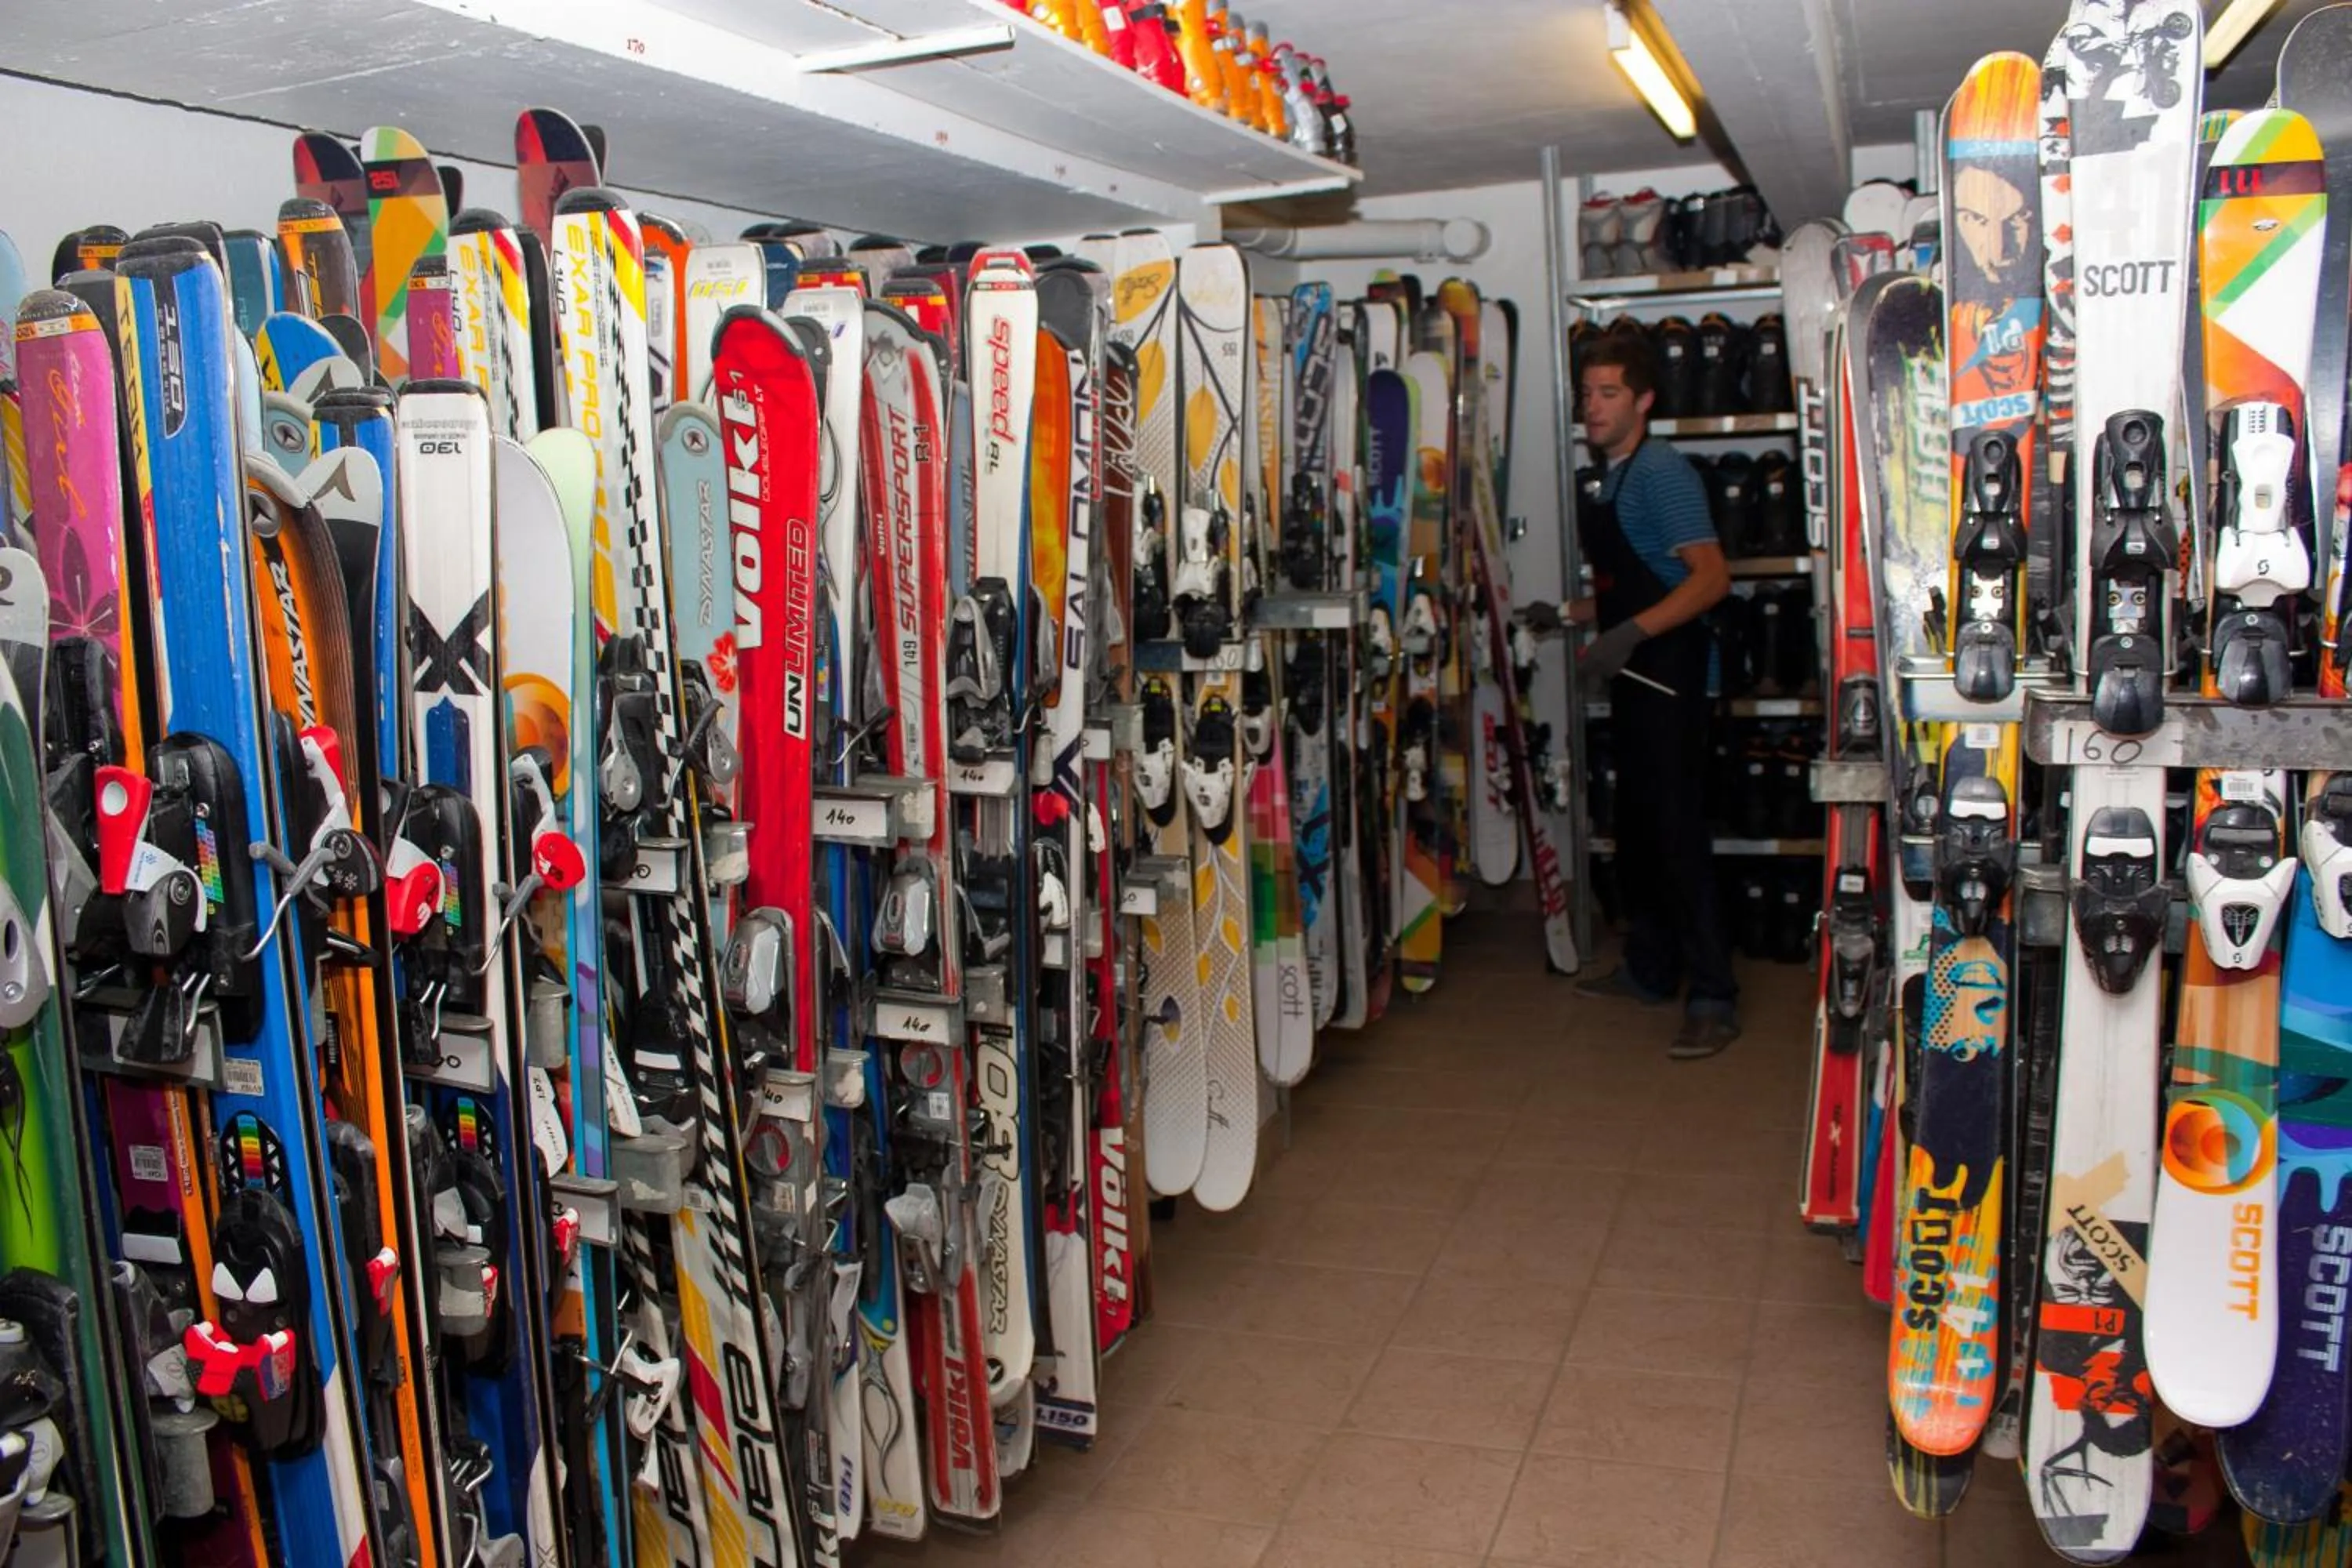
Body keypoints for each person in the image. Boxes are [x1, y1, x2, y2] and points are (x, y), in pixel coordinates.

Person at [1526, 334, 1739, 1058]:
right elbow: (1634, 580)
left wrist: (1625, 635)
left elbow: (1710, 579)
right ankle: (1651, 970)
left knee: (1678, 838)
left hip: (1673, 679)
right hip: (1637, 675)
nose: (1594, 406)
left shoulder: (1661, 474)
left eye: (1609, 393)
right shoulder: (1611, 478)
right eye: (1587, 393)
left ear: (1645, 400)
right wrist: (1566, 615)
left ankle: (1713, 995)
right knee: (1642, 837)